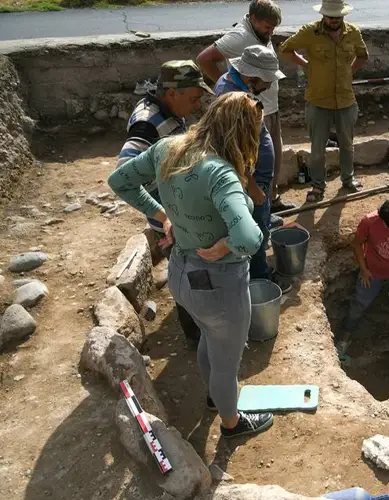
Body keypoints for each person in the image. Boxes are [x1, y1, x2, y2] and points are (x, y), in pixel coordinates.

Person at [108, 92, 276, 439]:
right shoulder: (221, 173)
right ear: (241, 132)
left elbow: (120, 180)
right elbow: (250, 237)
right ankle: (232, 423)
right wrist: (227, 244)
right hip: (220, 284)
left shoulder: (169, 147)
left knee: (207, 341)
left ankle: (217, 399)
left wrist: (161, 213)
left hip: (181, 274)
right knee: (227, 363)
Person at [116, 60, 211, 348]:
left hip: (183, 210)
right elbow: (123, 175)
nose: (197, 105)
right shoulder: (148, 124)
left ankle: (203, 325)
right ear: (173, 93)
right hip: (172, 219)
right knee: (189, 275)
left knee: (196, 272)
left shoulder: (168, 111)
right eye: (194, 98)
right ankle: (197, 336)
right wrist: (161, 215)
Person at [196, 0, 296, 220]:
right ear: (253, 18)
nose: (271, 32)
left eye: (273, 27)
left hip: (265, 107)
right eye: (267, 26)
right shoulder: (239, 37)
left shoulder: (260, 35)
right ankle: (257, 211)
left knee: (270, 158)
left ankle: (269, 202)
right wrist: (236, 95)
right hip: (254, 109)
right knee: (253, 161)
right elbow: (204, 59)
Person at [213, 45, 292, 293]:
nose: (269, 86)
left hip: (258, 177)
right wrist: (254, 187)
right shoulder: (233, 98)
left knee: (260, 222)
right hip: (252, 180)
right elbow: (233, 150)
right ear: (252, 76)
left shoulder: (237, 86)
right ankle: (261, 280)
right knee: (254, 231)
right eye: (267, 81)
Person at [279, 0, 369, 203]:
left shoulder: (353, 32)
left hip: (346, 99)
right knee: (318, 148)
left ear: (343, 15)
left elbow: (363, 55)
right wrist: (307, 65)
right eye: (331, 17)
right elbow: (285, 49)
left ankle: (348, 180)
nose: (334, 20)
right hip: (318, 101)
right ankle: (318, 186)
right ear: (323, 15)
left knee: (347, 144)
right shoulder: (310, 32)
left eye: (338, 17)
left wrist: (348, 73)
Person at [340, 200, 389, 349]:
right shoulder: (369, 222)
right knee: (360, 303)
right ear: (383, 219)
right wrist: (363, 269)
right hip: (372, 273)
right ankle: (346, 335)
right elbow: (357, 244)